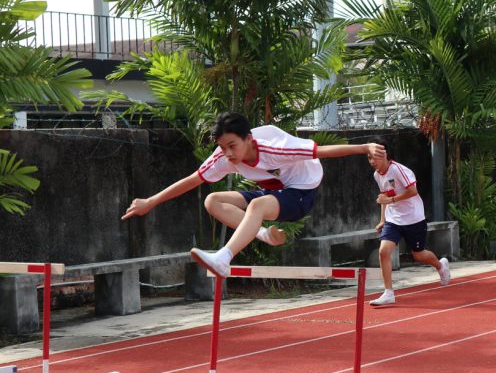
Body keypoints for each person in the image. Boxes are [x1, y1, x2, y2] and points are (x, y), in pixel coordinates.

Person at [121, 112, 385, 277]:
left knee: (257, 205)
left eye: (232, 146)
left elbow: (323, 151)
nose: (228, 154)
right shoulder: (223, 156)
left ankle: (224, 257)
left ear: (248, 139)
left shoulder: (277, 148)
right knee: (213, 200)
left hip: (302, 192)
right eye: (222, 147)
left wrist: (365, 147)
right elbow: (193, 180)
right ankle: (263, 235)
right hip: (274, 189)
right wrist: (151, 201)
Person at [366, 139, 450, 307]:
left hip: (413, 218)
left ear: (385, 154)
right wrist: (382, 220)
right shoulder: (377, 175)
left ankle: (440, 265)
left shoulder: (398, 170)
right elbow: (383, 197)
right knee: (384, 252)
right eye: (369, 158)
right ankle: (388, 293)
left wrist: (391, 199)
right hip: (393, 220)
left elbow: (412, 191)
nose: (372, 161)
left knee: (418, 255)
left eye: (375, 157)